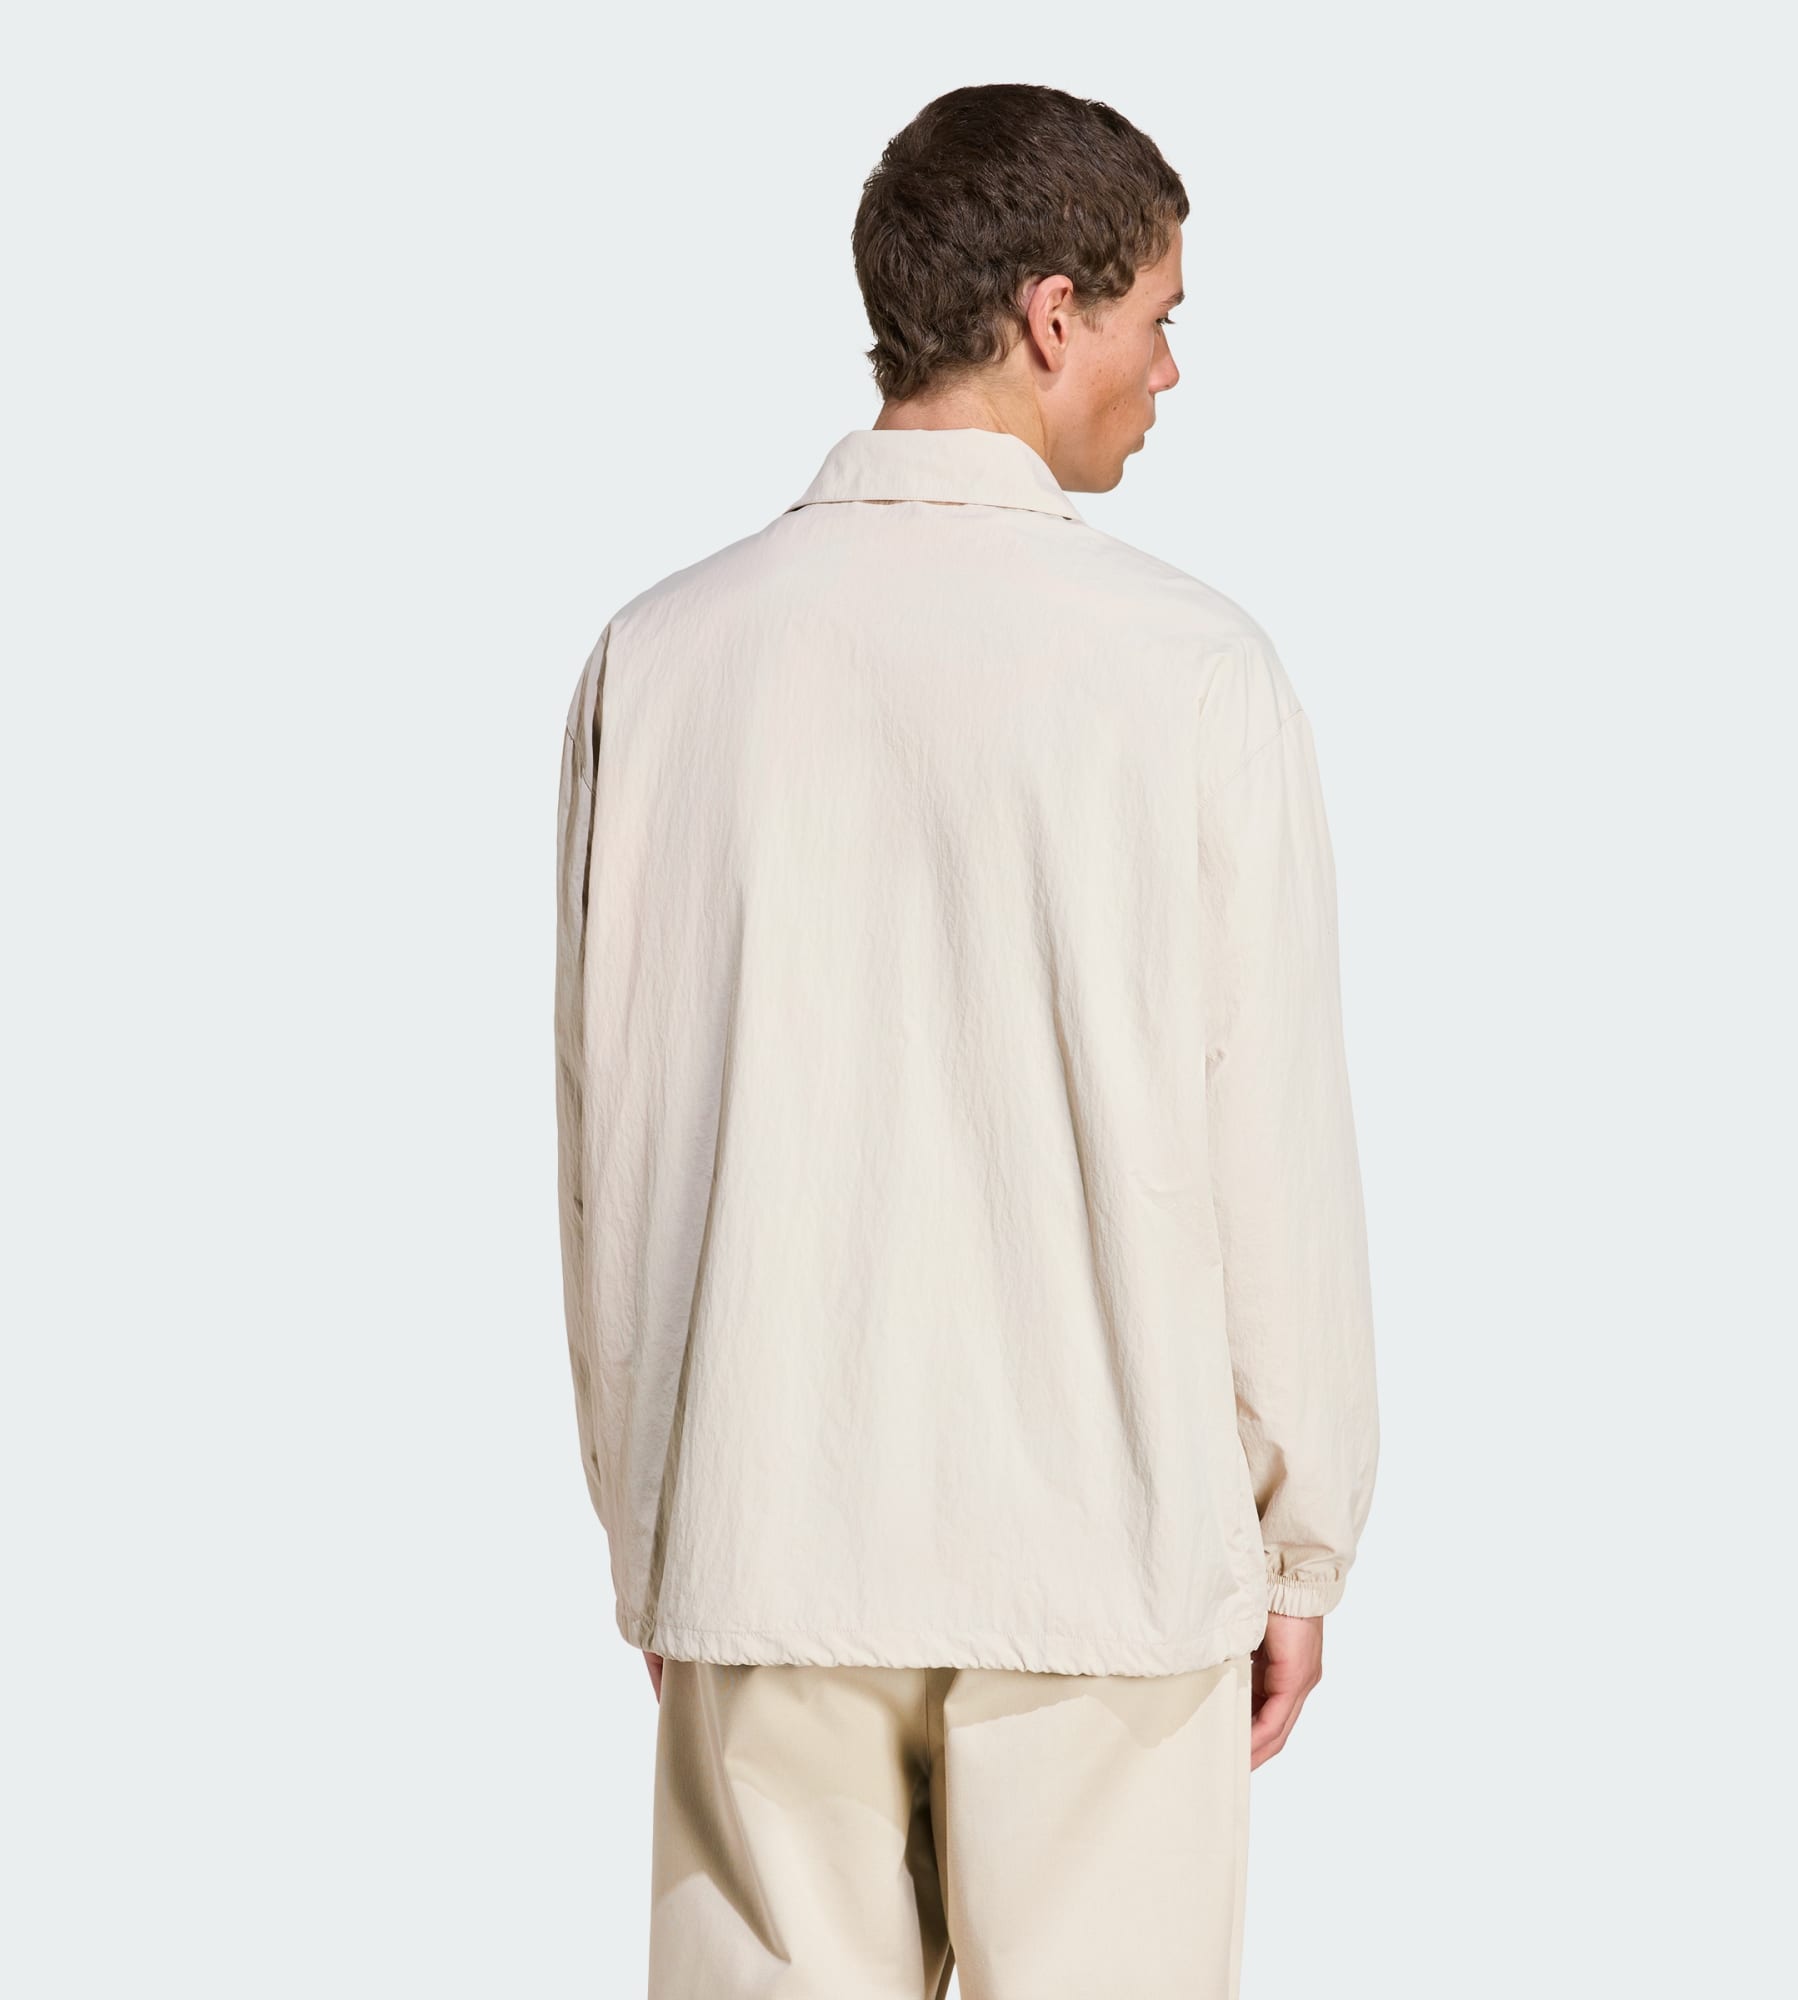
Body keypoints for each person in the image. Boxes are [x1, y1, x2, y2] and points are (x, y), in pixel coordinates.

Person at [554, 81, 1380, 1999]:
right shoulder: (1192, 672)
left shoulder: (659, 660)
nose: (1173, 372)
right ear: (1050, 312)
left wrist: (655, 1533)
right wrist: (1299, 1546)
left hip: (765, 1528)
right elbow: (1271, 1151)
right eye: (1160, 317)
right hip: (1107, 1561)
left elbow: (613, 1151)